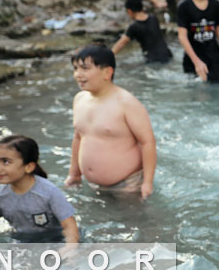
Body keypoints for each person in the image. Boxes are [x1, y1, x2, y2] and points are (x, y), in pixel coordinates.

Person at [65, 45, 157, 199]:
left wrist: (148, 182)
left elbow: (147, 142)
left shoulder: (126, 102)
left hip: (127, 185)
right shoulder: (79, 99)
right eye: (75, 69)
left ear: (107, 72)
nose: (78, 75)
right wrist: (74, 173)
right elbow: (79, 137)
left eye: (85, 69)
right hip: (93, 185)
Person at [0, 135, 79, 243]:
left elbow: (69, 226)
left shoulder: (48, 192)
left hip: (56, 240)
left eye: (5, 161)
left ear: (29, 167)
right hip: (22, 242)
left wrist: (70, 248)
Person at [111, 0, 173, 64]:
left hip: (153, 60)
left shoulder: (134, 27)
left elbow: (121, 43)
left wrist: (108, 56)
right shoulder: (153, 18)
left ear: (129, 11)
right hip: (167, 54)